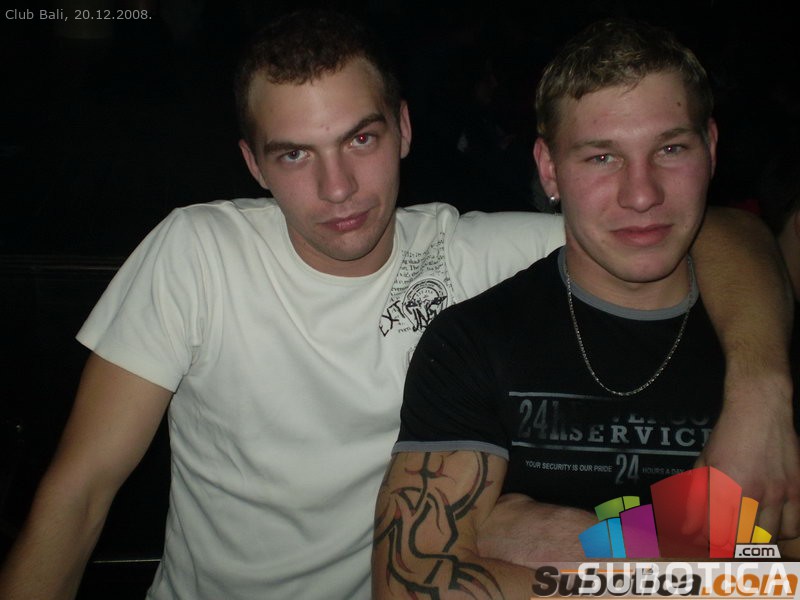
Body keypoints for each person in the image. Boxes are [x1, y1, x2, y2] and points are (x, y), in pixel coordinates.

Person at [0, 9, 796, 600]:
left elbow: (707, 228)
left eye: (361, 138)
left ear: (405, 130)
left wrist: (762, 386)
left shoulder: (466, 253)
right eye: (295, 154)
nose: (338, 187)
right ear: (254, 165)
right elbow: (80, 494)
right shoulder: (198, 254)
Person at [373, 17, 800, 598]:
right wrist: (707, 557)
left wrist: (596, 545)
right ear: (549, 169)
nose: (642, 193)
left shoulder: (768, 344)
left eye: (671, 148)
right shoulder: (472, 343)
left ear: (712, 149)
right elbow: (410, 585)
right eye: (601, 157)